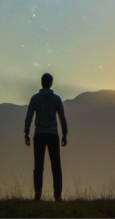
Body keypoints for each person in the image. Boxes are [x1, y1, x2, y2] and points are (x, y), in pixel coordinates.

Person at [24, 73, 68, 201]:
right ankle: (58, 196)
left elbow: (29, 117)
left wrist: (26, 132)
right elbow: (62, 118)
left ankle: (38, 194)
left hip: (39, 135)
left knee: (38, 167)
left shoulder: (35, 98)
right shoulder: (56, 99)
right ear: (51, 83)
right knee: (56, 166)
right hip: (53, 135)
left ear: (41, 82)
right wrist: (65, 133)